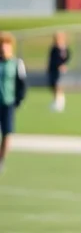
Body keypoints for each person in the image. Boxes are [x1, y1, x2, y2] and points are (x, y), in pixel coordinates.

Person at [0, 32, 27, 175]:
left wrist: (19, 100)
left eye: (6, 45)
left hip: (8, 102)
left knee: (7, 133)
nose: (4, 48)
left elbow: (21, 84)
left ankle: (1, 160)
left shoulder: (17, 63)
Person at [48, 31, 71, 112]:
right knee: (53, 86)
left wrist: (63, 65)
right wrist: (58, 65)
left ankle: (60, 102)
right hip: (53, 70)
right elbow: (53, 60)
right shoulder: (54, 49)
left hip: (60, 71)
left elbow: (67, 57)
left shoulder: (64, 48)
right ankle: (55, 101)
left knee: (59, 85)